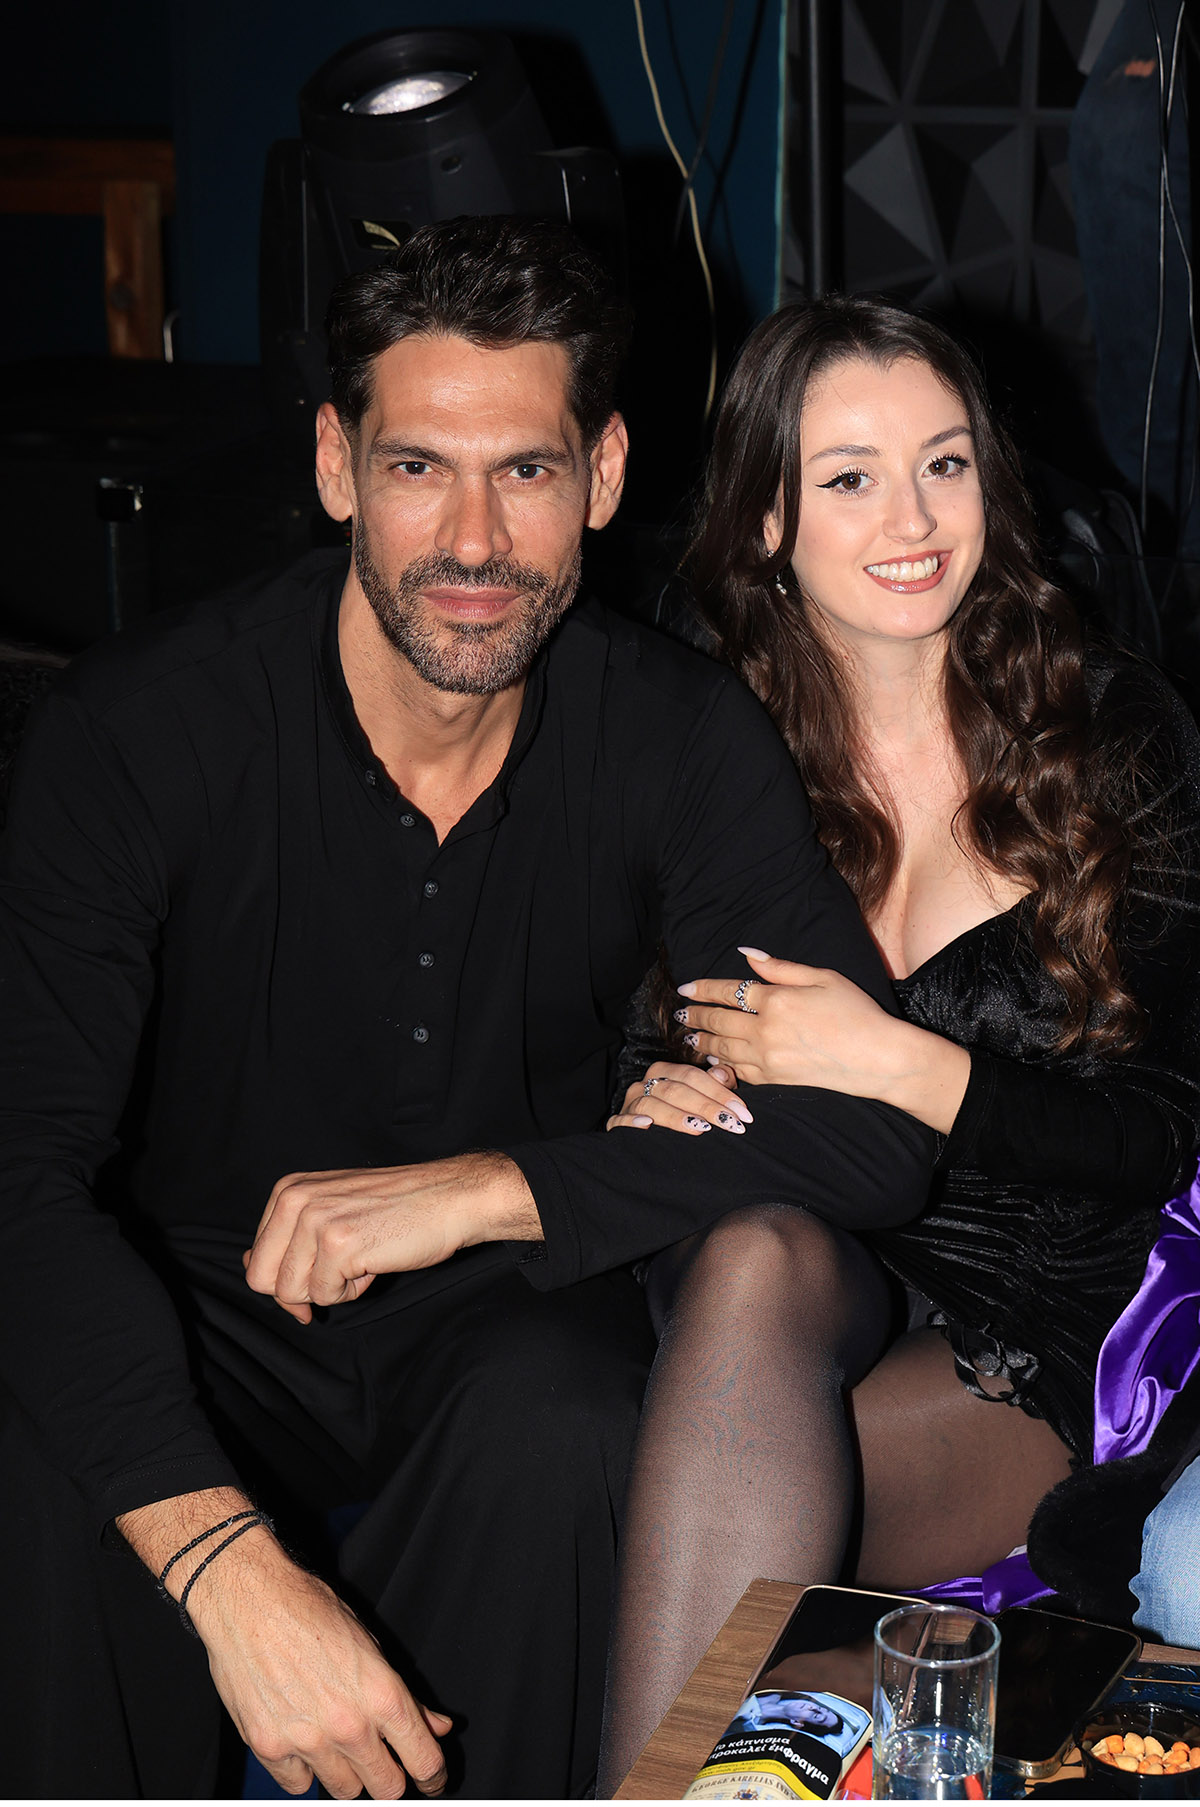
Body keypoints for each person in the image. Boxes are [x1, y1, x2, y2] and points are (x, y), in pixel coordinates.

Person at [0, 223, 936, 1800]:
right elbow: (18, 1170)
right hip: (201, 1298)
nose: (475, 539)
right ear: (336, 467)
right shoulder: (140, 733)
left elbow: (876, 1136)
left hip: (501, 1307)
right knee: (46, 1441)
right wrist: (224, 1563)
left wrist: (493, 1189)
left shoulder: (674, 733)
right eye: (419, 468)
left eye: (527, 471)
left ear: (605, 475)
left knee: (568, 1416)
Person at [596, 294, 1200, 1792]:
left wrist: (892, 1062)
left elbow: (1159, 1135)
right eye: (851, 477)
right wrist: (651, 1085)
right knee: (749, 1270)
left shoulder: (1116, 733)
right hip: (789, 1247)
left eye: (945, 463)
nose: (914, 519)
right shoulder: (704, 746)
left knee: (705, 1530)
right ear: (767, 522)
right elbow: (618, 1021)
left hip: (1029, 1305)